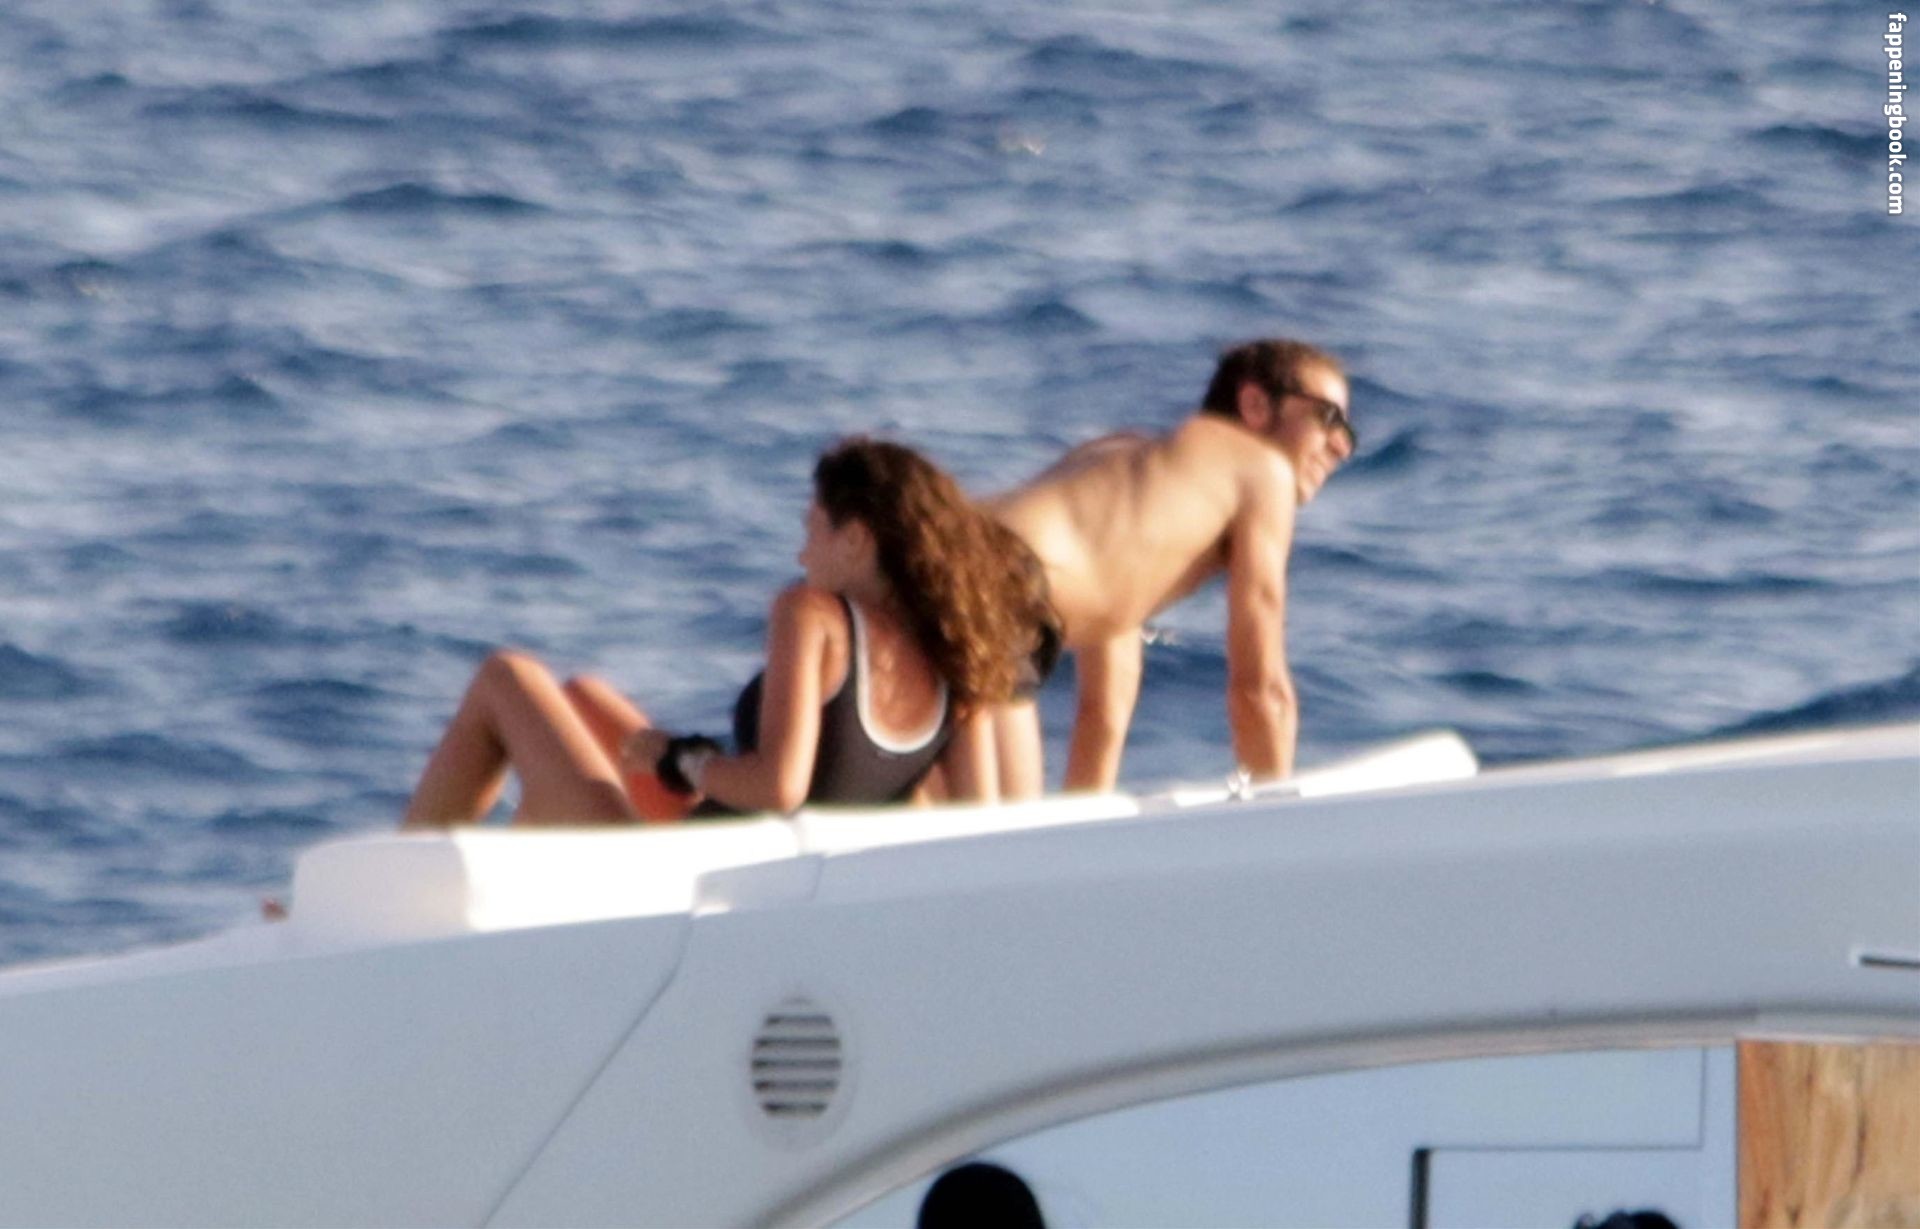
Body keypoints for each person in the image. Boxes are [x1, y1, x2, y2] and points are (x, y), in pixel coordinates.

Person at [401, 438, 1029, 827]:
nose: (802, 554)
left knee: (507, 677)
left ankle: (382, 931)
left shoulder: (811, 615)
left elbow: (779, 786)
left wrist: (685, 762)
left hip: (694, 883)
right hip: (768, 868)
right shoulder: (956, 654)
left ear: (857, 539)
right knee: (583, 700)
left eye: (813, 530)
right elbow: (973, 820)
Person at [984, 338, 1355, 796]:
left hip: (946, 562)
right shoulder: (1263, 471)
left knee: (938, 815)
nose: (1342, 446)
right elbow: (1259, 687)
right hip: (1000, 597)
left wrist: (1088, 819)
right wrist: (1275, 814)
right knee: (1005, 828)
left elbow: (1103, 715)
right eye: (1328, 417)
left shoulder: (1134, 480)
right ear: (1255, 405)